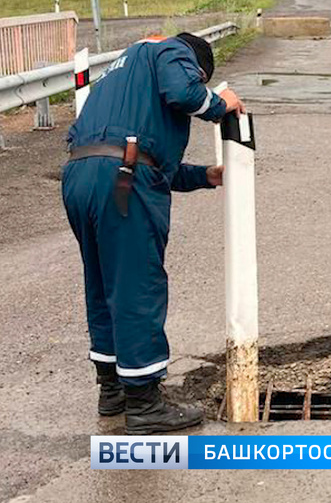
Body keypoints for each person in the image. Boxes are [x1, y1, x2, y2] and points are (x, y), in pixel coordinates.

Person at [62, 32, 245, 434]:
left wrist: (206, 177)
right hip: (121, 180)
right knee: (136, 286)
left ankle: (112, 391)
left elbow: (151, 161)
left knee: (103, 284)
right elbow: (183, 94)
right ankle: (144, 404)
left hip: (82, 174)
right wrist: (220, 105)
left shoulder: (120, 74)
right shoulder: (170, 51)